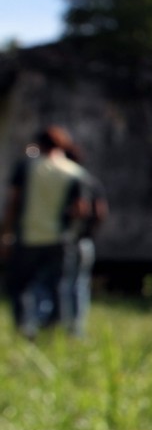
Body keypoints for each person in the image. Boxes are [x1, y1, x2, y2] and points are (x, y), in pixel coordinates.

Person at [1, 126, 85, 338]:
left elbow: (14, 202)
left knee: (21, 287)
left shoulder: (27, 166)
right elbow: (80, 209)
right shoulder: (74, 171)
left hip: (28, 236)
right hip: (59, 239)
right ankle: (53, 331)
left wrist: (6, 232)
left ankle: (24, 329)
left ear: (39, 144)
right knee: (57, 288)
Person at [60, 142, 107, 336]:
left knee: (65, 284)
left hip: (69, 240)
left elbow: (82, 209)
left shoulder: (71, 180)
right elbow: (101, 212)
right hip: (85, 241)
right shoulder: (92, 181)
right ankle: (76, 330)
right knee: (79, 285)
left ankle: (65, 328)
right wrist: (90, 233)